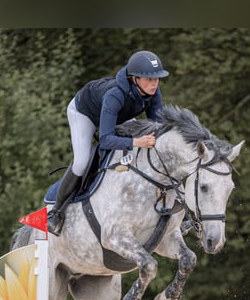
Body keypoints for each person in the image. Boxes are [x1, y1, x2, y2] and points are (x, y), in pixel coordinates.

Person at [47, 50, 170, 236]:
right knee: (82, 161)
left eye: (157, 79)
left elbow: (158, 126)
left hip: (120, 116)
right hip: (84, 112)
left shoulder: (153, 91)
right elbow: (105, 140)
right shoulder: (115, 95)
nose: (155, 83)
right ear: (134, 78)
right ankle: (56, 211)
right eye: (149, 79)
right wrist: (136, 141)